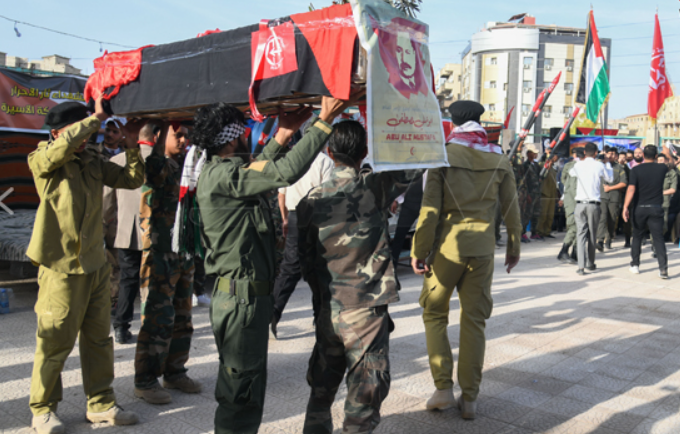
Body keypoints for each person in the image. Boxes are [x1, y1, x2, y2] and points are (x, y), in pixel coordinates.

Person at [195, 93, 360, 434]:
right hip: (241, 301)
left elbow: (259, 168)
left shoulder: (225, 172)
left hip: (246, 298)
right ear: (231, 138)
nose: (247, 136)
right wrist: (323, 121)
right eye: (243, 132)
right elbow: (282, 172)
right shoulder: (223, 177)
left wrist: (283, 135)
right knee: (241, 390)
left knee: (245, 385)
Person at [26, 99, 142, 433]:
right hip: (60, 268)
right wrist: (96, 118)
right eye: (79, 130)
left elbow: (132, 180)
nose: (85, 138)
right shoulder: (43, 159)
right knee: (54, 341)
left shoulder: (93, 159)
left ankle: (101, 404)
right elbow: (59, 150)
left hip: (95, 265)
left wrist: (132, 144)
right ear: (56, 132)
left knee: (98, 340)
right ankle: (43, 409)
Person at [297, 120, 418, 434]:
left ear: (328, 151)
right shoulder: (373, 188)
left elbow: (305, 261)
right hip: (365, 311)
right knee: (363, 399)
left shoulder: (309, 202)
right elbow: (416, 160)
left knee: (321, 390)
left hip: (329, 308)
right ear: (365, 152)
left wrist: (323, 299)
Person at [410, 101, 522, 420]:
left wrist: (419, 249)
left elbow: (430, 209)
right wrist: (514, 246)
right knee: (474, 320)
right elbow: (512, 209)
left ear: (453, 120)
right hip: (483, 248)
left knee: (434, 312)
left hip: (447, 248)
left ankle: (443, 388)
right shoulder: (499, 157)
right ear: (479, 120)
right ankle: (470, 397)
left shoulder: (442, 154)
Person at [133, 122, 200, 404]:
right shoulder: (155, 164)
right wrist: (160, 125)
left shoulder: (185, 167)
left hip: (182, 253)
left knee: (183, 317)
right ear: (161, 137)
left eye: (187, 135)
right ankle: (146, 380)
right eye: (178, 134)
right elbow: (154, 166)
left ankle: (174, 372)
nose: (184, 140)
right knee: (158, 319)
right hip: (159, 254)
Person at [270, 148, 334, 338]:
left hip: (294, 215)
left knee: (290, 266)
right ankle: (320, 318)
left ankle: (272, 314)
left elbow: (281, 193)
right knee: (320, 268)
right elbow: (328, 194)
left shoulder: (292, 159)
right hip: (315, 215)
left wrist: (285, 219)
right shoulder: (324, 161)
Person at [105, 123, 158, 344]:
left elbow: (106, 205)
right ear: (156, 136)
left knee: (127, 280)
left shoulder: (116, 162)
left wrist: (105, 231)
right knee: (153, 280)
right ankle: (153, 326)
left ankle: (120, 326)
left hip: (126, 232)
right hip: (156, 233)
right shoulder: (166, 163)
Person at [623, 145, 670, 278]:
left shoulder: (635, 170)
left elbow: (631, 189)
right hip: (656, 207)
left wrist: (625, 207)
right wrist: (667, 153)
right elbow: (673, 162)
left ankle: (635, 265)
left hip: (640, 208)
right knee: (658, 238)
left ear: (643, 155)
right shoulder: (662, 168)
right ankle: (663, 269)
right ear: (656, 156)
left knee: (637, 236)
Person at [570, 142, 614, 275]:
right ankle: (590, 263)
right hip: (593, 204)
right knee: (592, 235)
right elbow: (610, 179)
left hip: (580, 204)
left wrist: (580, 161)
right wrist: (606, 163)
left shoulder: (578, 164)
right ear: (596, 153)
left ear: (584, 152)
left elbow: (572, 173)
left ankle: (581, 266)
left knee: (581, 234)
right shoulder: (599, 165)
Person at [596, 147, 627, 251]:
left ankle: (608, 239)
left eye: (613, 154)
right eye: (608, 154)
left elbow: (623, 183)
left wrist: (611, 188)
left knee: (612, 219)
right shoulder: (600, 165)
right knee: (602, 218)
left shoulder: (619, 168)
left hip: (614, 197)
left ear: (616, 156)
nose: (610, 156)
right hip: (602, 196)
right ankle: (600, 240)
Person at [557, 148, 584, 262]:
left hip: (576, 199)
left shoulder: (581, 167)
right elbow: (570, 186)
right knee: (573, 225)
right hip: (573, 200)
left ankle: (575, 252)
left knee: (580, 226)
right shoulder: (573, 167)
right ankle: (564, 251)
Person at [521, 145, 542, 241]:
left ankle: (534, 232)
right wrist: (527, 194)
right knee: (527, 214)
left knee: (536, 213)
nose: (536, 154)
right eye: (534, 153)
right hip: (530, 193)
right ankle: (522, 233)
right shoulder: (525, 165)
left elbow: (540, 178)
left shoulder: (536, 165)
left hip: (537, 193)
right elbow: (524, 181)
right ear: (529, 154)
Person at [657, 154, 678, 235]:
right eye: (659, 161)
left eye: (662, 160)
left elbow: (673, 189)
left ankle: (656, 241)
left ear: (666, 161)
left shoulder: (672, 173)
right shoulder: (653, 172)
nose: (660, 162)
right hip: (652, 201)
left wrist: (659, 193)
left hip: (664, 202)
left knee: (663, 225)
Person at [537, 160, 557, 238]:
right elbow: (541, 176)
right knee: (543, 214)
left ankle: (547, 231)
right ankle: (540, 232)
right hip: (544, 193)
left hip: (552, 193)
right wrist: (547, 167)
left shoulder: (553, 168)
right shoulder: (542, 165)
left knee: (550, 215)